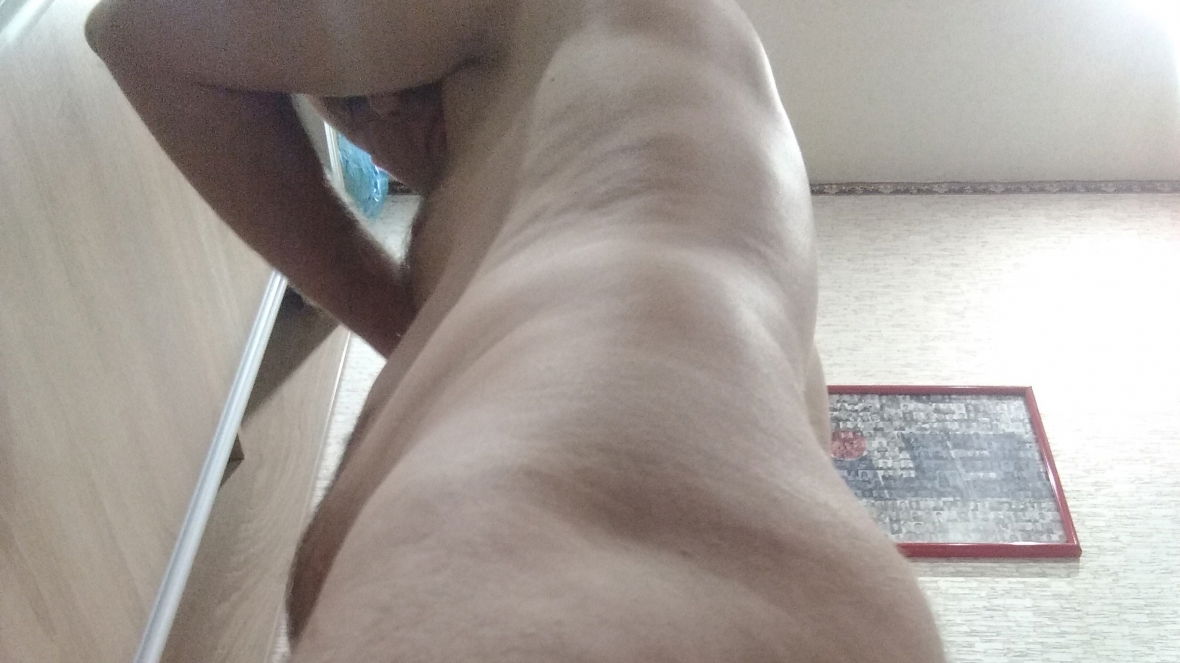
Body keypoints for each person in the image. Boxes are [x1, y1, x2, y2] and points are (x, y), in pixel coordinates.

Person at [86, 0, 944, 660]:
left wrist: (394, 322)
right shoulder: (631, 149)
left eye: (350, 105)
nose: (367, 126)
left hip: (581, 510)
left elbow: (138, 32)